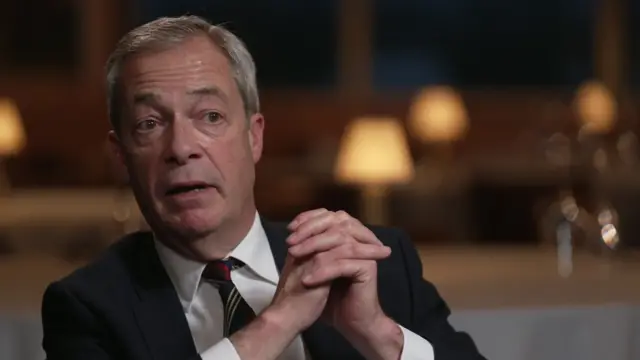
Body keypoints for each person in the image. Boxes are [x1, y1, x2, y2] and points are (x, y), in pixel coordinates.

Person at [41, 15, 485, 360]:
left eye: (210, 116)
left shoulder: (378, 265)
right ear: (121, 157)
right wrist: (278, 321)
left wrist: (377, 333)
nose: (181, 148)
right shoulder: (87, 307)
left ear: (254, 137)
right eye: (150, 124)